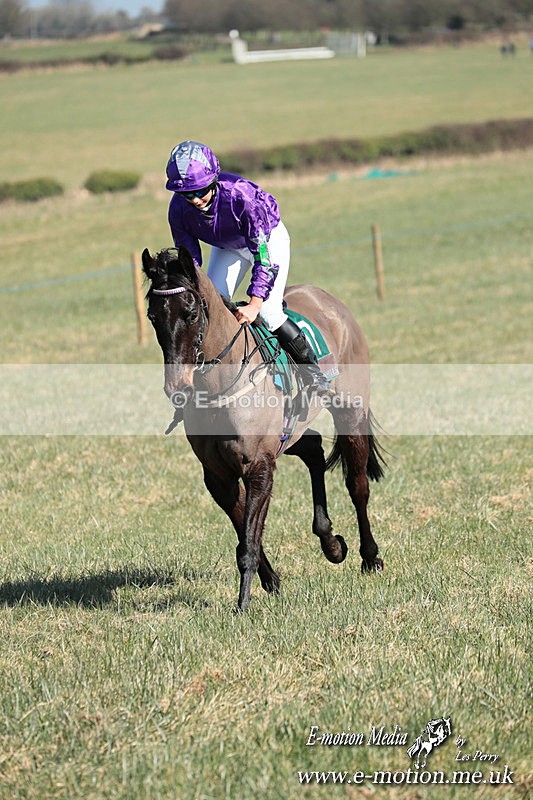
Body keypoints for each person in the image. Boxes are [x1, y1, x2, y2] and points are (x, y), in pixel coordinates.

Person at [165, 140, 330, 393]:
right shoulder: (178, 208)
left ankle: (313, 373)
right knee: (207, 308)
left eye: (200, 191)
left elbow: (263, 258)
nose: (195, 199)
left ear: (213, 181)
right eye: (187, 194)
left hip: (267, 241)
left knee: (269, 312)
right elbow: (191, 261)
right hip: (227, 247)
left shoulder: (242, 197)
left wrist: (254, 304)